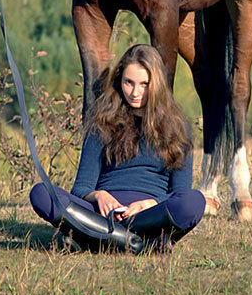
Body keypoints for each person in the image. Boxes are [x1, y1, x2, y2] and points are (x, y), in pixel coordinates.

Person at [30, 44, 205, 248]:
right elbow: (80, 188)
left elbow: (179, 192)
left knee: (194, 201)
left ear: (156, 84)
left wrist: (152, 203)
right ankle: (138, 243)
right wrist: (99, 195)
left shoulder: (178, 127)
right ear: (119, 80)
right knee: (41, 193)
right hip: (101, 215)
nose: (135, 92)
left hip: (148, 216)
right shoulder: (101, 123)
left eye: (144, 84)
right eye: (128, 82)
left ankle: (95, 239)